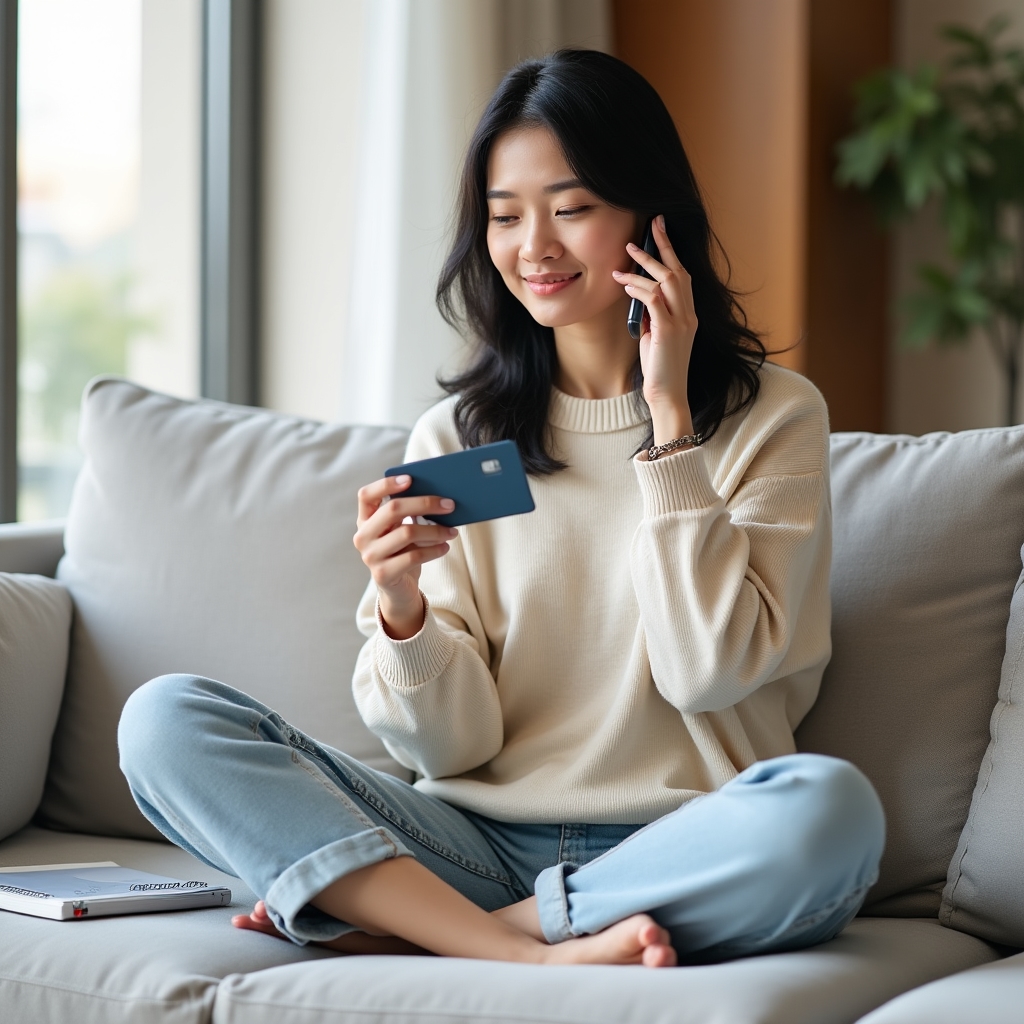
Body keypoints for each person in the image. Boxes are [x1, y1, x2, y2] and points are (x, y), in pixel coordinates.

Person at [118, 49, 884, 969]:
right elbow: (453, 745)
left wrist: (670, 425)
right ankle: (517, 941)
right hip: (470, 844)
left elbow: (708, 674)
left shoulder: (775, 418)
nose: (535, 248)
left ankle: (458, 931)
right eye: (505, 216)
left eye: (571, 210)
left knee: (832, 813)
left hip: (682, 843)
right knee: (163, 721)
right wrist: (401, 611)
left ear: (652, 216)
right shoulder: (460, 433)